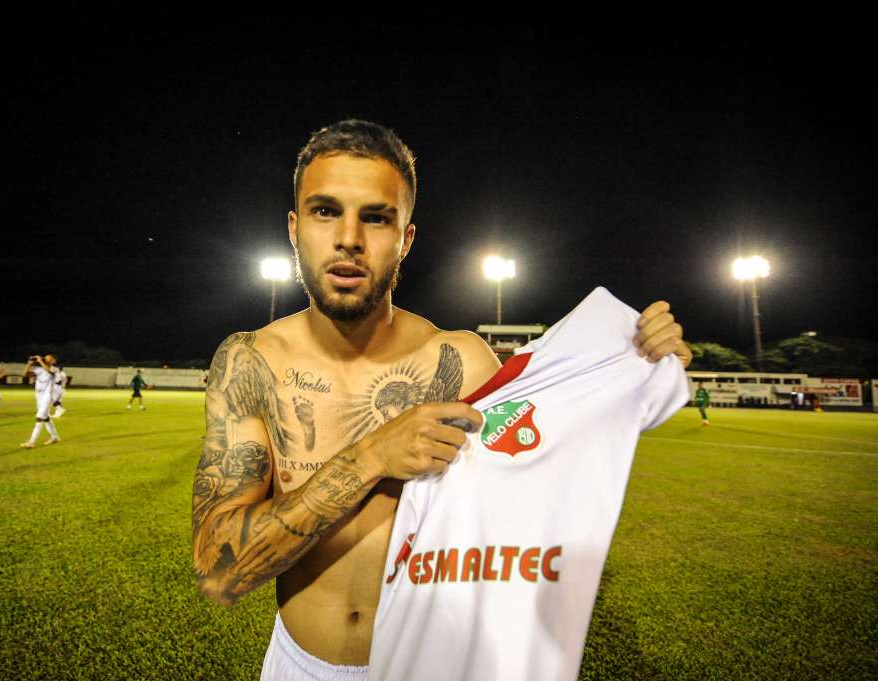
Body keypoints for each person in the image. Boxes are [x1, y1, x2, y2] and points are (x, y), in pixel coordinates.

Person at [190, 120, 692, 680]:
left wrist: (631, 364)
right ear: (294, 227)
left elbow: (546, 452)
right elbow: (220, 575)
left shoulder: (463, 362)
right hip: (301, 664)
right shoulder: (249, 362)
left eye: (376, 217)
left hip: (431, 665)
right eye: (325, 211)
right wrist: (370, 457)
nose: (349, 238)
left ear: (405, 238)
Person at [21, 354, 60, 448]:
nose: (45, 359)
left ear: (53, 361)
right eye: (45, 357)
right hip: (39, 395)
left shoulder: (55, 369)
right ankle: (55, 437)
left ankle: (31, 442)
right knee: (45, 417)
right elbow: (24, 374)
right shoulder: (38, 370)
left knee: (39, 417)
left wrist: (40, 361)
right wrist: (29, 364)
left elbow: (48, 370)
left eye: (48, 358)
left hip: (47, 395)